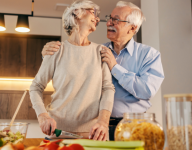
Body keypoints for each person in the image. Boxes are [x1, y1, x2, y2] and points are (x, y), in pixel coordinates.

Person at [41, 1, 164, 140]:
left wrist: (115, 68)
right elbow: (73, 67)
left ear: (132, 28)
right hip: (98, 127)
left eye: (115, 20)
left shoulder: (149, 55)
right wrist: (49, 54)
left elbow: (146, 90)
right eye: (110, 18)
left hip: (134, 127)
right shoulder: (97, 51)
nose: (108, 23)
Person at [29, 0, 115, 141]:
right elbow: (35, 87)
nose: (97, 18)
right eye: (92, 12)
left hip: (93, 135)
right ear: (77, 13)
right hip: (58, 133)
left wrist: (103, 122)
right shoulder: (56, 50)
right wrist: (43, 116)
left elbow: (108, 88)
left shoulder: (101, 51)